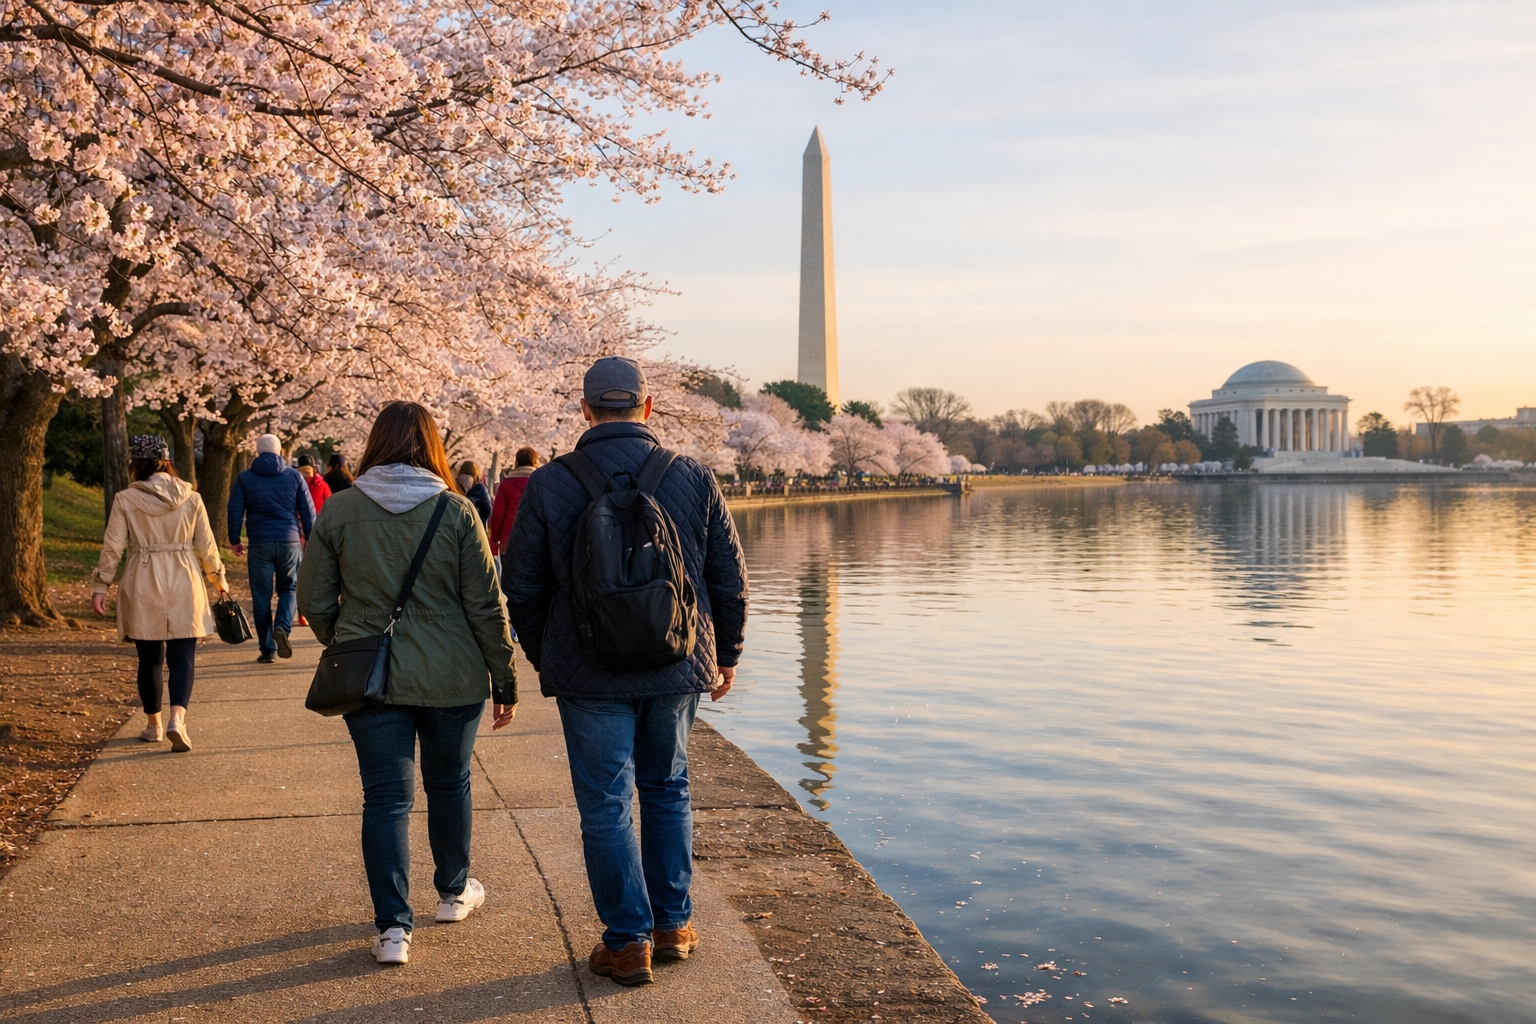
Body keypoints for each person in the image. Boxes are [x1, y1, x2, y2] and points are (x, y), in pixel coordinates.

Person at [503, 356, 748, 987]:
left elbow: (522, 586)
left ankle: (628, 941)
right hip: (674, 660)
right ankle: (673, 924)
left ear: (585, 410)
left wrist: (545, 653)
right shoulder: (692, 476)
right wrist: (726, 652)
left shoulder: (551, 484)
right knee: (667, 788)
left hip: (588, 670)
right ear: (648, 408)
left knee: (605, 803)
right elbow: (728, 574)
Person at [298, 401, 517, 967]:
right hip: (453, 673)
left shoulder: (341, 510)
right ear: (433, 445)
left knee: (387, 798)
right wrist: (504, 675)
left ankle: (394, 929)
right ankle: (452, 891)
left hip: (371, 678)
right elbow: (486, 605)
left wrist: (348, 639)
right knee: (450, 784)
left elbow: (314, 601)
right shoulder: (457, 511)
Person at [90, 436, 228, 752]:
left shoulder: (126, 498)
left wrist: (101, 586)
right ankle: (177, 719)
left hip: (143, 576)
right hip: (184, 576)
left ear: (137, 463)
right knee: (183, 657)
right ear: (168, 461)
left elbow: (113, 546)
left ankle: (154, 726)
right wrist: (218, 579)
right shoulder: (191, 497)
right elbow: (207, 545)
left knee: (149, 659)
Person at [229, 434, 314, 664]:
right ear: (279, 452)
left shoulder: (245, 478)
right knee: (290, 588)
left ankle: (267, 649)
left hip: (259, 543)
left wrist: (235, 539)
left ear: (257, 452)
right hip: (289, 541)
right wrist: (313, 540)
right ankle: (283, 628)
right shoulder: (294, 476)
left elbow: (235, 510)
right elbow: (307, 511)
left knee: (261, 596)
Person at [487, 447, 540, 562]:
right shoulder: (541, 483)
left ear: (516, 462)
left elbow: (498, 514)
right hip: (536, 539)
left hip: (509, 540)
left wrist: (494, 540)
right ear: (535, 462)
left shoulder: (506, 485)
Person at [457, 460, 492, 525]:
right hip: (475, 523)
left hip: (457, 523)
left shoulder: (455, 484)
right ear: (475, 472)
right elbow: (488, 509)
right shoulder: (480, 488)